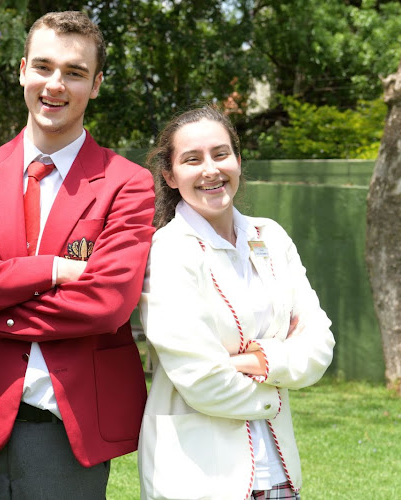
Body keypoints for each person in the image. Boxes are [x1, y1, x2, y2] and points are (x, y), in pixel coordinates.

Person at [0, 11, 155, 499]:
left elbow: (108, 303)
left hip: (70, 431)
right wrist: (51, 269)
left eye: (74, 73)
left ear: (96, 84)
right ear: (21, 70)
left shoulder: (128, 183)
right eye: (44, 67)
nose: (55, 84)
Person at [138, 105, 336, 500]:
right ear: (170, 175)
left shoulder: (272, 238)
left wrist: (257, 360)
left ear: (238, 161)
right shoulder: (168, 252)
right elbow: (202, 379)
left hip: (279, 475)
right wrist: (280, 377)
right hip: (198, 480)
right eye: (192, 159)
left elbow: (319, 346)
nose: (210, 169)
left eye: (221, 154)